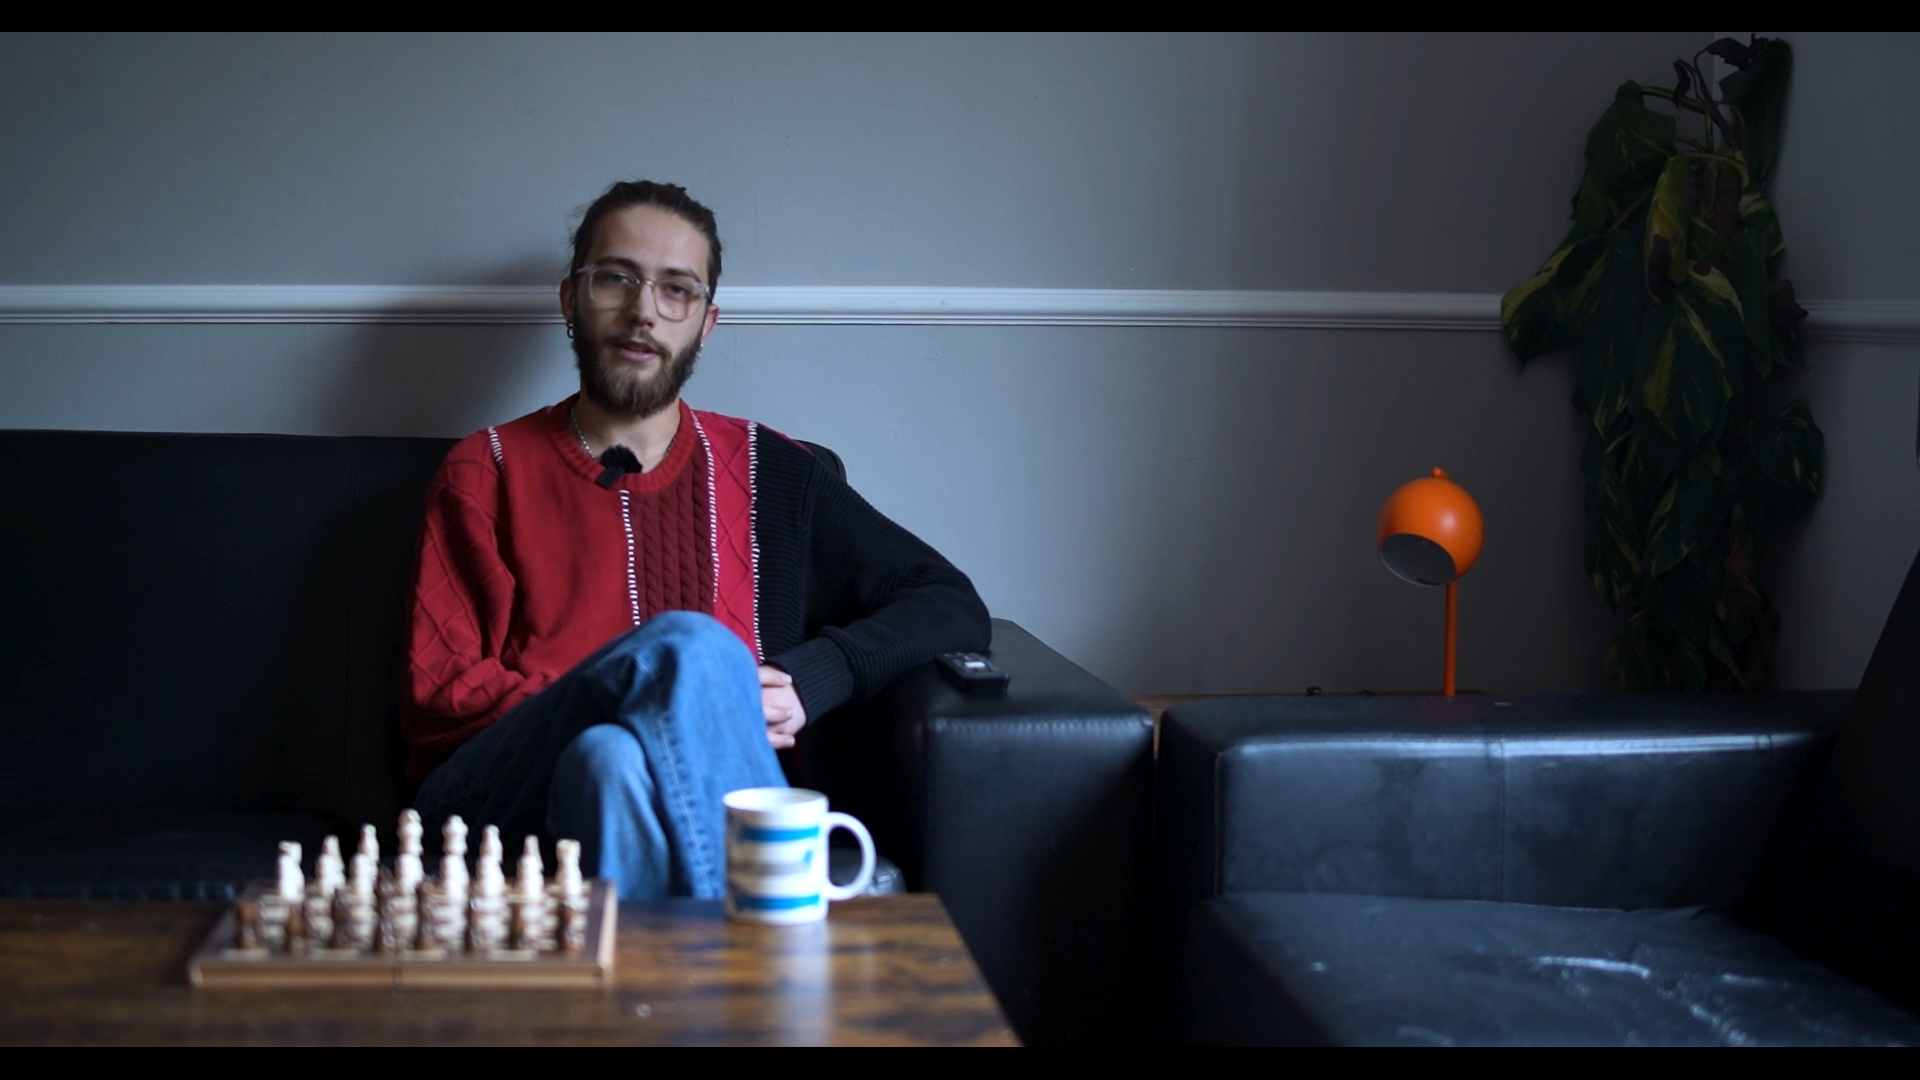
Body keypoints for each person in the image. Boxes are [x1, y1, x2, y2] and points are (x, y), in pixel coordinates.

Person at [403, 180, 989, 899]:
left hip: (618, 791)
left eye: (675, 289)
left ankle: (665, 1002)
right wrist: (667, 688)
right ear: (570, 298)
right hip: (491, 798)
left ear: (706, 323)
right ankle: (770, 960)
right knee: (695, 650)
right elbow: (441, 701)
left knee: (611, 760)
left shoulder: (769, 471)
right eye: (616, 278)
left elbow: (950, 601)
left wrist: (817, 674)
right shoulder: (484, 469)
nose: (643, 310)